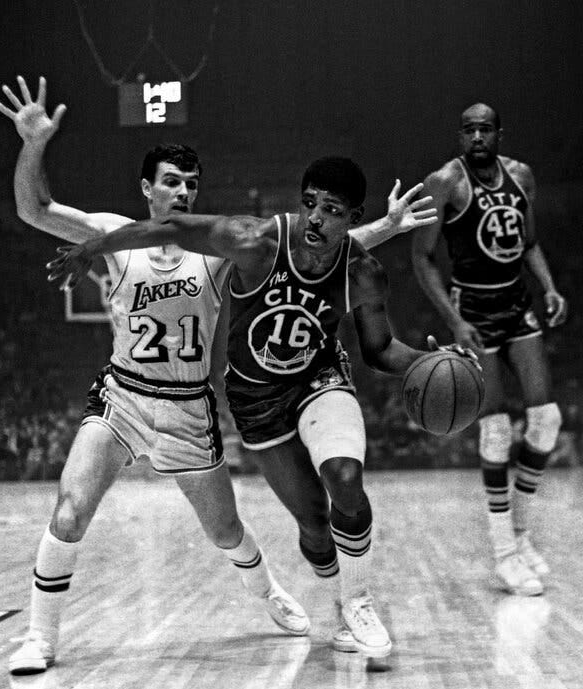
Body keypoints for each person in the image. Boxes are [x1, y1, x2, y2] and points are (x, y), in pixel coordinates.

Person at [49, 154, 479, 660]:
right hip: (255, 399)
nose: (317, 218)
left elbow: (379, 349)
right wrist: (92, 247)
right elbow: (171, 224)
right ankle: (334, 598)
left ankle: (357, 602)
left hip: (320, 378)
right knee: (315, 526)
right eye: (310, 204)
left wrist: (431, 360)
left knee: (344, 476)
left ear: (353, 218)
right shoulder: (256, 240)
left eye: (333, 210)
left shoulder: (363, 273)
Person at [0, 75, 314, 675]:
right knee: (70, 509)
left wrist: (377, 230)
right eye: (172, 182)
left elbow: (300, 249)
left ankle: (267, 590)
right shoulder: (114, 235)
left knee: (225, 531)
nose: (184, 192)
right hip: (121, 399)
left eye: (191, 184)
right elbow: (32, 208)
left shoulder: (215, 247)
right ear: (147, 189)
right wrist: (33, 143)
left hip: (188, 408)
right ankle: (40, 638)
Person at [411, 103, 567, 596]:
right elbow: (421, 257)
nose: (477, 136)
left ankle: (520, 537)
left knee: (547, 420)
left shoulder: (522, 175)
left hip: (516, 301)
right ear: (460, 136)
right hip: (472, 310)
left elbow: (530, 242)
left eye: (486, 128)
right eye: (469, 129)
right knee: (497, 429)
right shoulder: (444, 183)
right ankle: (504, 555)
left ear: (500, 133)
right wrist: (453, 320)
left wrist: (549, 287)